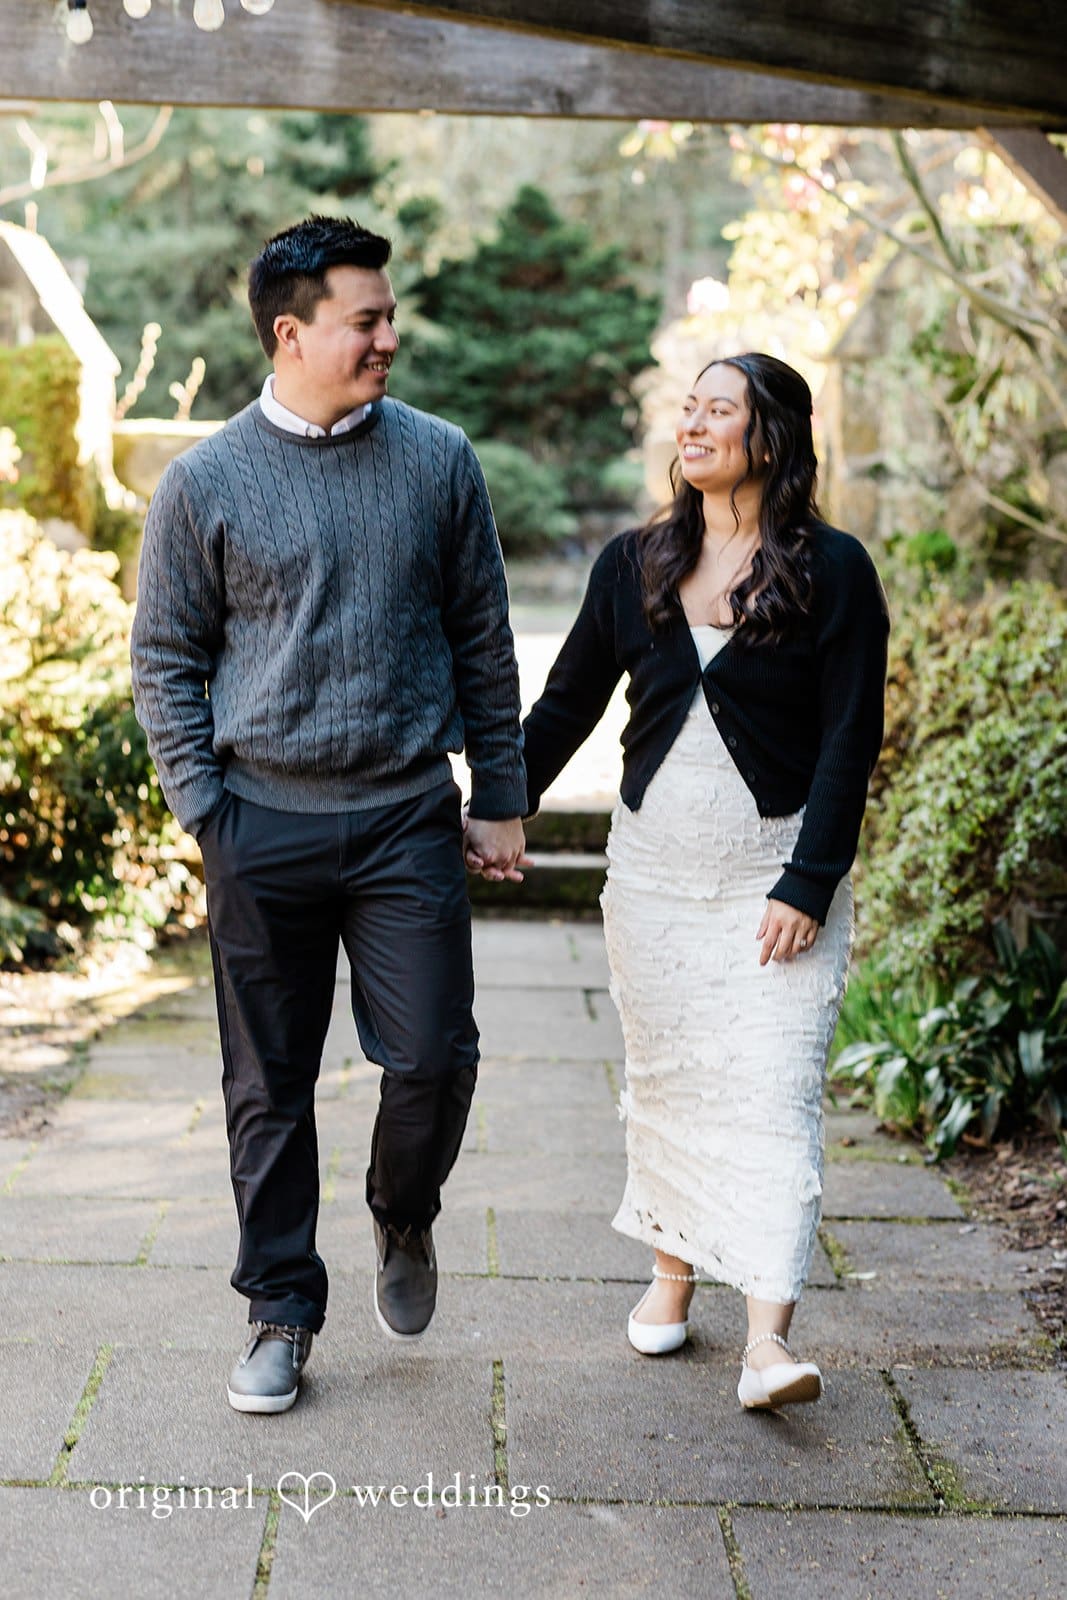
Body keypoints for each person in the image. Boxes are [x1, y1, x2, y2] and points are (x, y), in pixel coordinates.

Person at [131, 215, 528, 1415]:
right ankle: (279, 1312)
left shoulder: (437, 459)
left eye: (388, 315)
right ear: (291, 333)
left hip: (406, 816)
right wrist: (208, 810)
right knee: (268, 1085)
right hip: (262, 822)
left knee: (431, 1059)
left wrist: (499, 796)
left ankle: (401, 1213)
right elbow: (164, 658)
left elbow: (482, 638)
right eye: (366, 319)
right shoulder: (202, 481)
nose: (389, 338)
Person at [506, 352, 889, 1410]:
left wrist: (809, 881)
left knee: (771, 1093)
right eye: (688, 407)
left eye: (718, 408)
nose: (693, 423)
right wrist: (499, 805)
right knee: (670, 1083)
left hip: (773, 884)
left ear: (769, 436)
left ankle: (768, 1338)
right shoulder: (634, 561)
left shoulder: (835, 570)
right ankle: (670, 1277)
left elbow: (848, 740)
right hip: (653, 886)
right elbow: (566, 704)